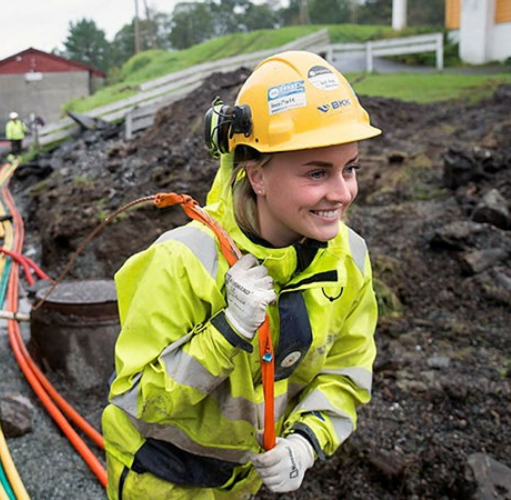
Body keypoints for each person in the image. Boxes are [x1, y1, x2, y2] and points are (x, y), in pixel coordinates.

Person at [102, 50, 381, 499]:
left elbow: (347, 371)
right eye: (317, 172)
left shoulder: (348, 259)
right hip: (163, 482)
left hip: (245, 483)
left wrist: (306, 443)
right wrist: (226, 331)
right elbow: (138, 400)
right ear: (257, 176)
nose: (342, 192)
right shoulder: (182, 261)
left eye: (350, 168)